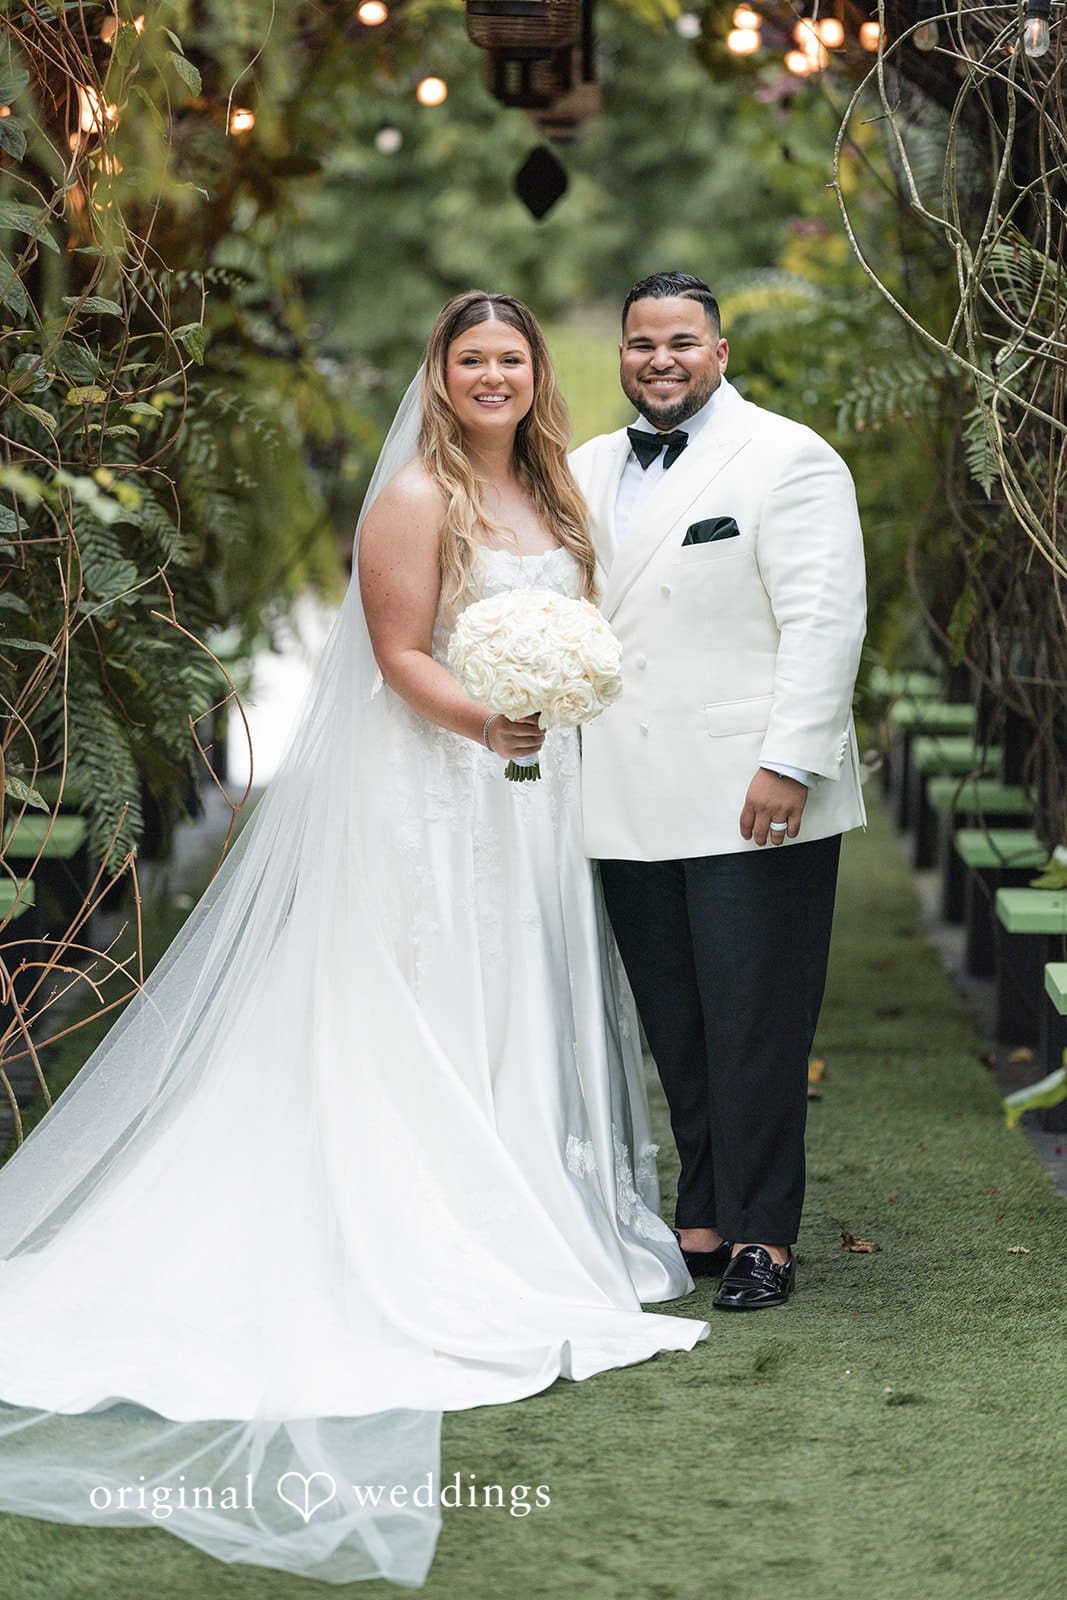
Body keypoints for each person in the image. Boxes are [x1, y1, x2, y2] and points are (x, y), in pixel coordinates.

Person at [0, 291, 706, 1588]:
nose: (491, 376)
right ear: (438, 376)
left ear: (534, 376)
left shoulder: (553, 498)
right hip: (429, 791)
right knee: (428, 991)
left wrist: (551, 705)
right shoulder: (412, 501)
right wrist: (488, 719)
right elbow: (394, 654)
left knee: (518, 994)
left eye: (510, 359)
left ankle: (523, 1201)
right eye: (469, 359)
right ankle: (429, 1216)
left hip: (527, 800)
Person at [570, 271, 867, 1313]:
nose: (660, 359)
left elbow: (824, 623)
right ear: (620, 353)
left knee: (755, 1019)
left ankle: (762, 1236)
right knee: (676, 1018)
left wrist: (787, 762)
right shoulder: (584, 468)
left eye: (681, 342)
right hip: (621, 792)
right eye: (641, 342)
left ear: (719, 351)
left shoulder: (787, 458)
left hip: (752, 792)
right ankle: (700, 1211)